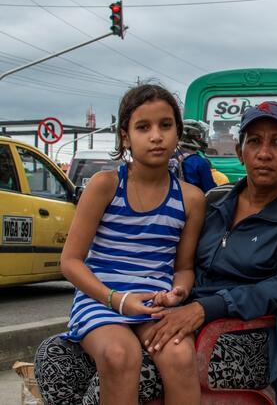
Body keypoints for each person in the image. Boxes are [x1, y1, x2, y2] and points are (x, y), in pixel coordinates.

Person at [142, 101, 277, 404]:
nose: (264, 153)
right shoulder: (213, 200)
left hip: (249, 337)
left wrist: (207, 308)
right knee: (60, 358)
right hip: (183, 319)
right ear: (240, 152)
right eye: (254, 141)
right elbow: (176, 257)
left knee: (121, 375)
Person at [59, 84, 206, 404]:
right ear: (125, 136)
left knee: (181, 357)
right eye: (143, 127)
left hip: (155, 305)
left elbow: (183, 267)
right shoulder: (105, 185)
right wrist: (116, 299)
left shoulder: (190, 198)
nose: (156, 136)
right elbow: (70, 262)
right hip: (101, 300)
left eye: (166, 125)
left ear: (178, 132)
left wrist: (178, 292)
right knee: (119, 354)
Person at [170, 119, 217, 193]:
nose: (202, 140)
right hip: (194, 202)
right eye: (199, 136)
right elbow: (210, 191)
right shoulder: (199, 162)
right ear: (191, 138)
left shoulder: (170, 157)